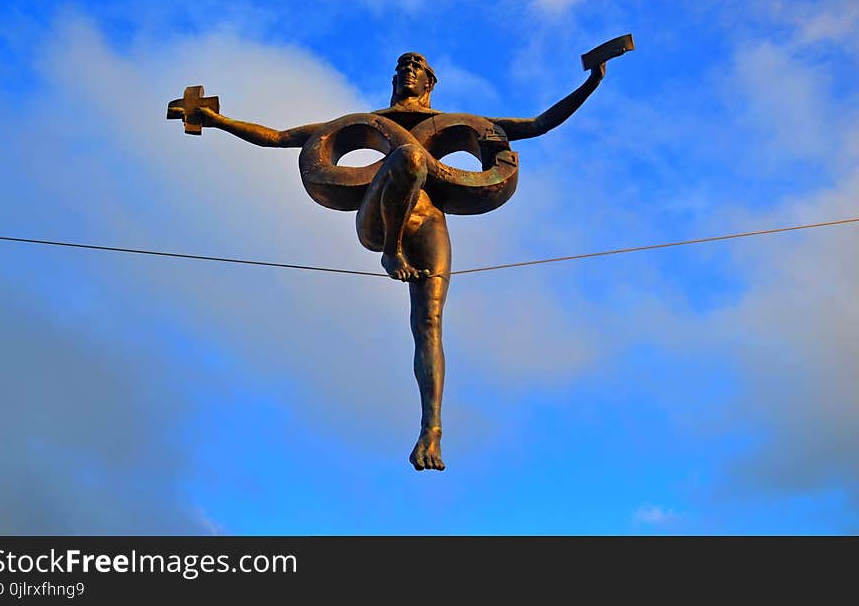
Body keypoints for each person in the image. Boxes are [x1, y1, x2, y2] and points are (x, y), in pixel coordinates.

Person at [170, 52, 605, 470]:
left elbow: (538, 123)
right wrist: (216, 120)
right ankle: (391, 252)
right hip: (378, 221)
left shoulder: (462, 124)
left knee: (429, 324)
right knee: (411, 157)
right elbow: (281, 137)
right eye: (402, 66)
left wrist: (592, 80)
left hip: (429, 224)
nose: (408, 70)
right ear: (394, 80)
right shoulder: (366, 124)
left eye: (416, 66)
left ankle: (430, 429)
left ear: (430, 81)